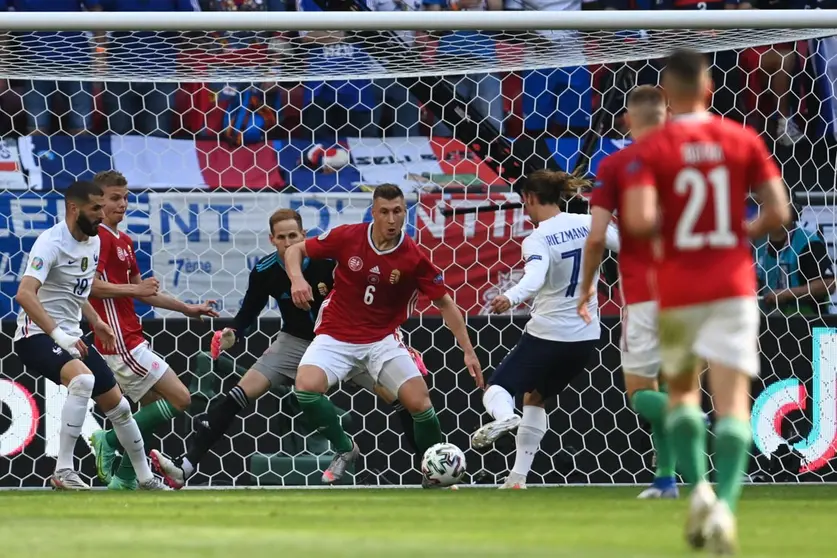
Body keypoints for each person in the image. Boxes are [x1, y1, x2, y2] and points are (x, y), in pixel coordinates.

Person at [621, 49, 790, 554]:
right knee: (732, 400)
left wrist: (675, 239)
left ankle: (698, 493)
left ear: (667, 97)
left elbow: (639, 221)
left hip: (677, 289)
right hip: (733, 284)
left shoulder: (654, 149)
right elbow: (779, 210)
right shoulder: (741, 138)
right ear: (710, 88)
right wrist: (740, 231)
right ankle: (727, 508)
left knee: (682, 396)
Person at [150, 206, 431, 488]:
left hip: (345, 341)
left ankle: (431, 468)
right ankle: (185, 467)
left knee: (402, 398)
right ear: (271, 239)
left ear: (304, 235)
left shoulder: (328, 264)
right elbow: (246, 316)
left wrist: (396, 341)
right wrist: (231, 333)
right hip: (294, 343)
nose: (288, 243)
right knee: (238, 394)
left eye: (293, 236)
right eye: (281, 237)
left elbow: (373, 303)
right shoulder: (265, 271)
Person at [286, 184, 483, 485]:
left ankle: (438, 474)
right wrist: (297, 279)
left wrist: (468, 350)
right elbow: (295, 249)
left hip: (381, 340)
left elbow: (446, 304)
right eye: (384, 212)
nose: (392, 220)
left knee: (420, 404)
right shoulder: (348, 236)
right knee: (305, 389)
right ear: (373, 213)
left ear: (405, 213)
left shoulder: (413, 257)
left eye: (398, 212)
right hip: (336, 335)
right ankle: (345, 448)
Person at [12, 181, 166, 490]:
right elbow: (25, 295)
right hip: (36, 334)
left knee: (120, 407)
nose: (102, 213)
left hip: (72, 336)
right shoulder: (50, 242)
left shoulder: (93, 242)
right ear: (74, 208)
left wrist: (95, 320)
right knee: (82, 381)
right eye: (95, 208)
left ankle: (145, 479)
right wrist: (58, 335)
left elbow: (77, 289)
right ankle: (64, 471)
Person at [470, 170, 619, 489]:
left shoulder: (537, 238)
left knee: (496, 389)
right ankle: (517, 478)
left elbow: (534, 278)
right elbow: (628, 245)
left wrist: (509, 298)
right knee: (536, 398)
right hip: (585, 339)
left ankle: (503, 417)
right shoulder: (588, 223)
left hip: (548, 334)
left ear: (531, 199)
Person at [86, 170, 219, 490]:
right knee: (180, 398)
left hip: (131, 336)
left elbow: (142, 290)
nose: (122, 203)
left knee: (150, 408)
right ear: (98, 202)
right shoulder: (98, 237)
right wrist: (135, 291)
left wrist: (187, 308)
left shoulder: (125, 241)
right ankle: (108, 440)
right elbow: (90, 287)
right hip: (118, 342)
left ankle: (124, 480)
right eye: (114, 198)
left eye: (125, 197)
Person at [577, 85, 677, 499]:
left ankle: (685, 418)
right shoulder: (693, 159)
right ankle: (666, 479)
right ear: (667, 115)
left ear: (628, 121)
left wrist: (585, 290)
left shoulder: (617, 165)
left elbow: (597, 238)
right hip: (694, 291)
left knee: (641, 393)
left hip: (645, 295)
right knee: (675, 384)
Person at [755, 208, 835, 318]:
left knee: (827, 334)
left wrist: (788, 294)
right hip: (772, 324)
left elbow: (829, 284)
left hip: (814, 324)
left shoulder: (809, 243)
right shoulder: (758, 244)